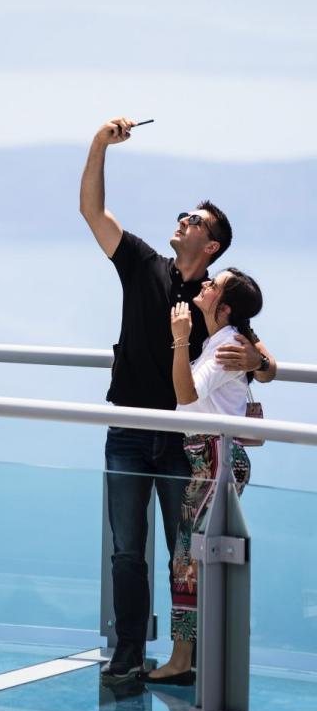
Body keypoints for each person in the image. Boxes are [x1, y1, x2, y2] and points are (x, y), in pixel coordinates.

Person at [79, 117, 276, 681]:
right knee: (126, 549)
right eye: (184, 214)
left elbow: (264, 361)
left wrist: (258, 363)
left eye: (195, 220)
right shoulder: (143, 264)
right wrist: (99, 144)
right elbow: (93, 212)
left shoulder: (216, 296)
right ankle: (128, 651)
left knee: (183, 551)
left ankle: (188, 657)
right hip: (128, 429)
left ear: (210, 246)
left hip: (184, 443)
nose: (183, 220)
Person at [141, 269, 263, 686]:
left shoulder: (226, 345)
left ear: (224, 307)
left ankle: (183, 661)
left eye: (215, 286)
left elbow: (186, 394)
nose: (205, 286)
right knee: (196, 559)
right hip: (210, 458)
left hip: (214, 459)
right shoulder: (221, 341)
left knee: (188, 561)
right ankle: (198, 656)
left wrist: (180, 338)